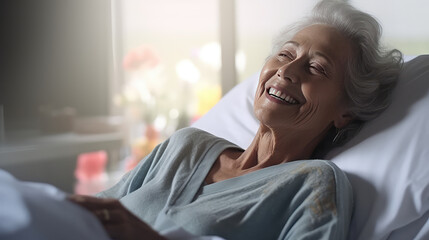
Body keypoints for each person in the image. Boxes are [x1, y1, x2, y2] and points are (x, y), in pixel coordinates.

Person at [68, 0, 403, 239]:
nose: (286, 71)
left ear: (346, 110)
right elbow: (87, 212)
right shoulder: (186, 145)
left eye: (316, 67)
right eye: (285, 54)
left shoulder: (312, 184)